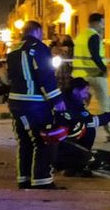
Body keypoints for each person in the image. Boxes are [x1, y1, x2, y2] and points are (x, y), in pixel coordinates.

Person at [7, 20, 67, 189]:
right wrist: (57, 99)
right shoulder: (39, 48)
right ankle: (42, 181)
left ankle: (24, 179)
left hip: (16, 102)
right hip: (34, 102)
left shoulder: (13, 49)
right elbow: (45, 76)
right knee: (43, 140)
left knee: (25, 141)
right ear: (38, 31)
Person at [73, 13, 110, 142]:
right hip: (95, 74)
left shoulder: (81, 35)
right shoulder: (93, 36)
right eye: (102, 23)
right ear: (95, 23)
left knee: (80, 105)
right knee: (105, 103)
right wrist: (104, 69)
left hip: (81, 75)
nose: (103, 27)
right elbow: (95, 56)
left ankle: (75, 129)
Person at [55, 77, 110, 177]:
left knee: (86, 129)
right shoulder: (66, 104)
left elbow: (86, 117)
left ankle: (73, 164)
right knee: (88, 130)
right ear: (75, 91)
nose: (87, 95)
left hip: (62, 140)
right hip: (59, 142)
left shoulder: (72, 100)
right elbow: (87, 121)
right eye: (85, 91)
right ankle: (73, 163)